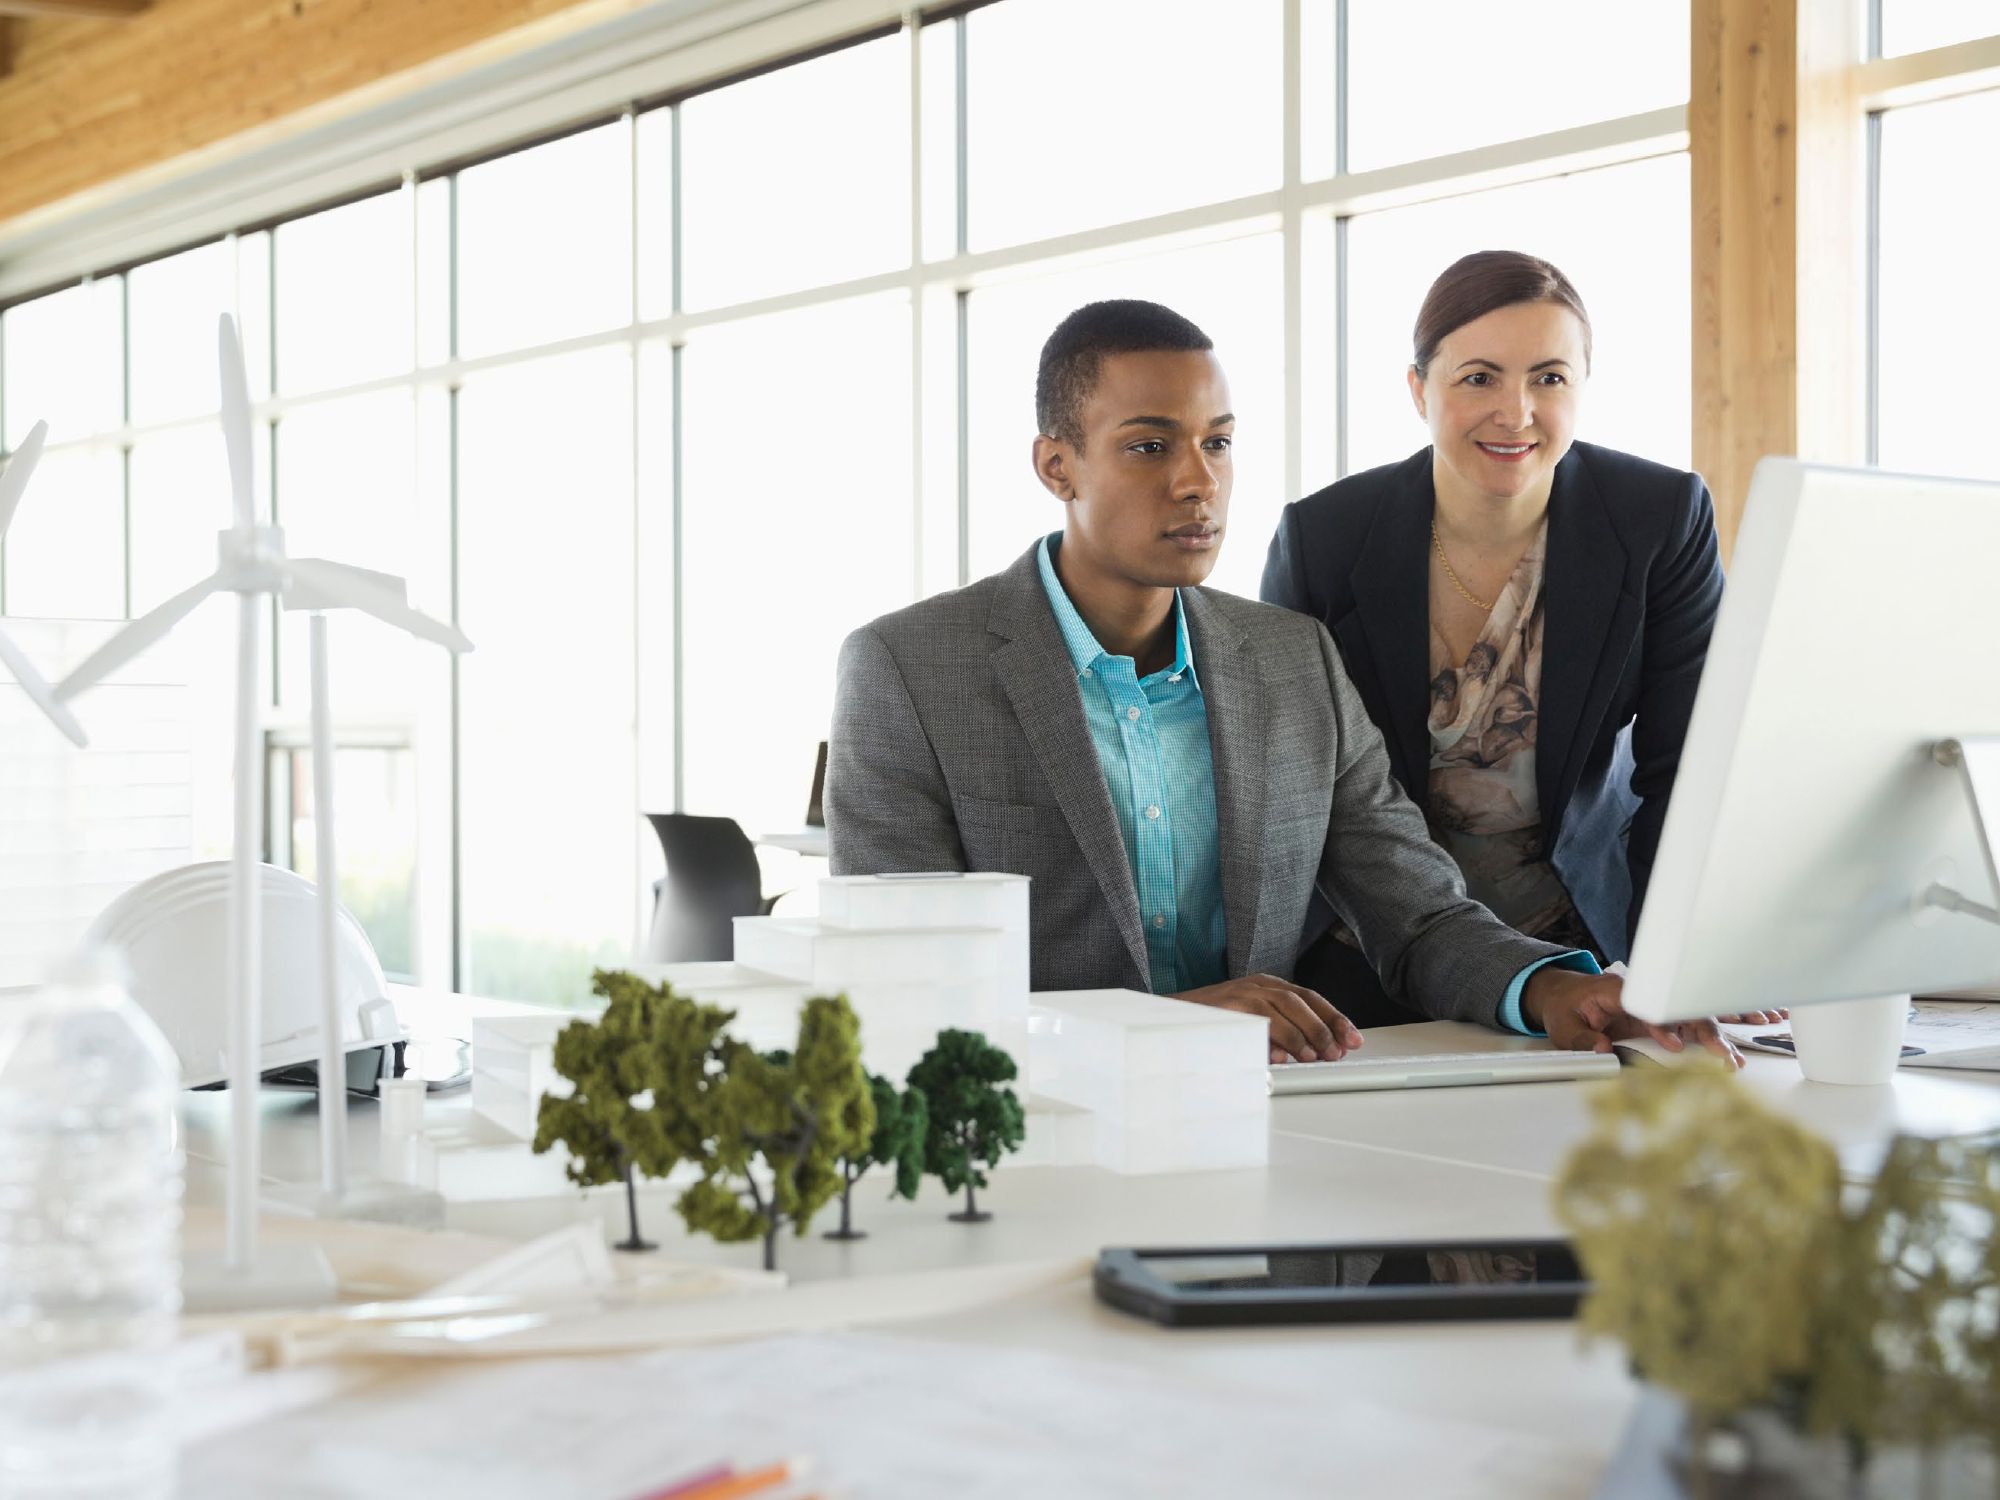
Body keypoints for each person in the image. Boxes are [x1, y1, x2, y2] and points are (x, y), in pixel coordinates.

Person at [827, 298, 1738, 1065]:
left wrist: (1556, 990)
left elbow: (1417, 915)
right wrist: (1164, 1028)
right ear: (1056, 465)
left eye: (1218, 444)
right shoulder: (907, 672)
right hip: (1039, 1147)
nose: (1199, 483)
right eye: (1150, 447)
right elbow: (901, 998)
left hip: (1272, 1139)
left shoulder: (1293, 660)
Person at [1262, 251, 1757, 1028]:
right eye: (1479, 378)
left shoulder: (1659, 517)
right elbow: (1291, 792)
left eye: (1550, 378)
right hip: (1370, 957)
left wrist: (1684, 971)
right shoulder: (1324, 537)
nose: (1517, 411)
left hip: (1585, 955)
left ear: (1583, 386)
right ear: (1419, 388)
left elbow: (1688, 769)